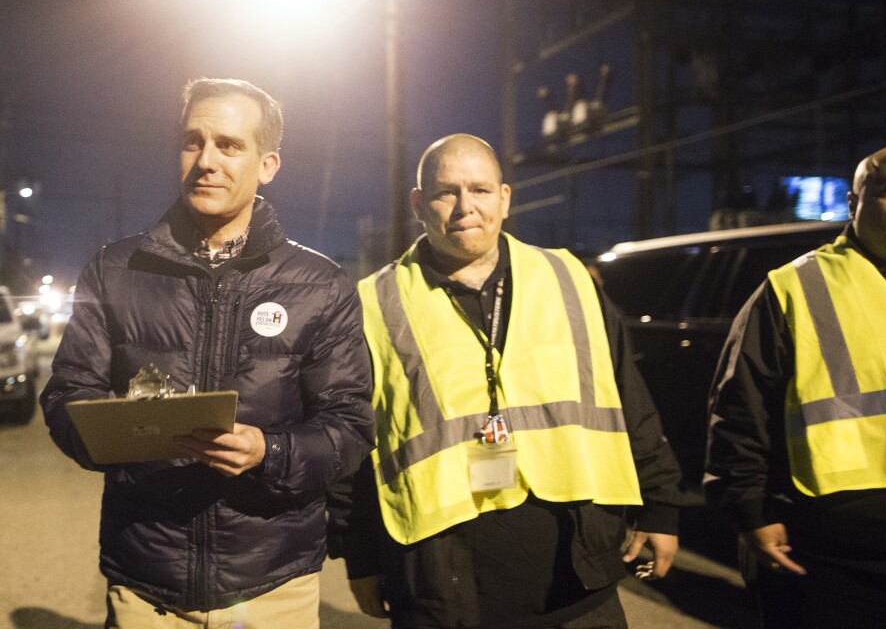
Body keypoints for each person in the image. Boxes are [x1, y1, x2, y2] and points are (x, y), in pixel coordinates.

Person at [40, 78, 374, 627]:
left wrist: (269, 451)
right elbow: (66, 396)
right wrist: (121, 430)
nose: (206, 160)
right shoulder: (114, 269)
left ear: (268, 164)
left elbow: (350, 427)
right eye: (193, 141)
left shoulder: (321, 284)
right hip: (146, 587)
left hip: (274, 589)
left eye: (229, 144)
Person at [328, 134, 682, 628]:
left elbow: (627, 395)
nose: (464, 206)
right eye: (446, 191)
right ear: (418, 203)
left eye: (480, 189)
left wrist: (662, 505)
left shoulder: (569, 278)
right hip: (444, 586)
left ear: (505, 198)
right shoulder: (372, 303)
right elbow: (351, 448)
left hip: (576, 580)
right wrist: (360, 556)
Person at [704, 145, 886, 629]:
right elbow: (740, 412)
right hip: (838, 562)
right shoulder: (796, 288)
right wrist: (751, 514)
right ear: (853, 203)